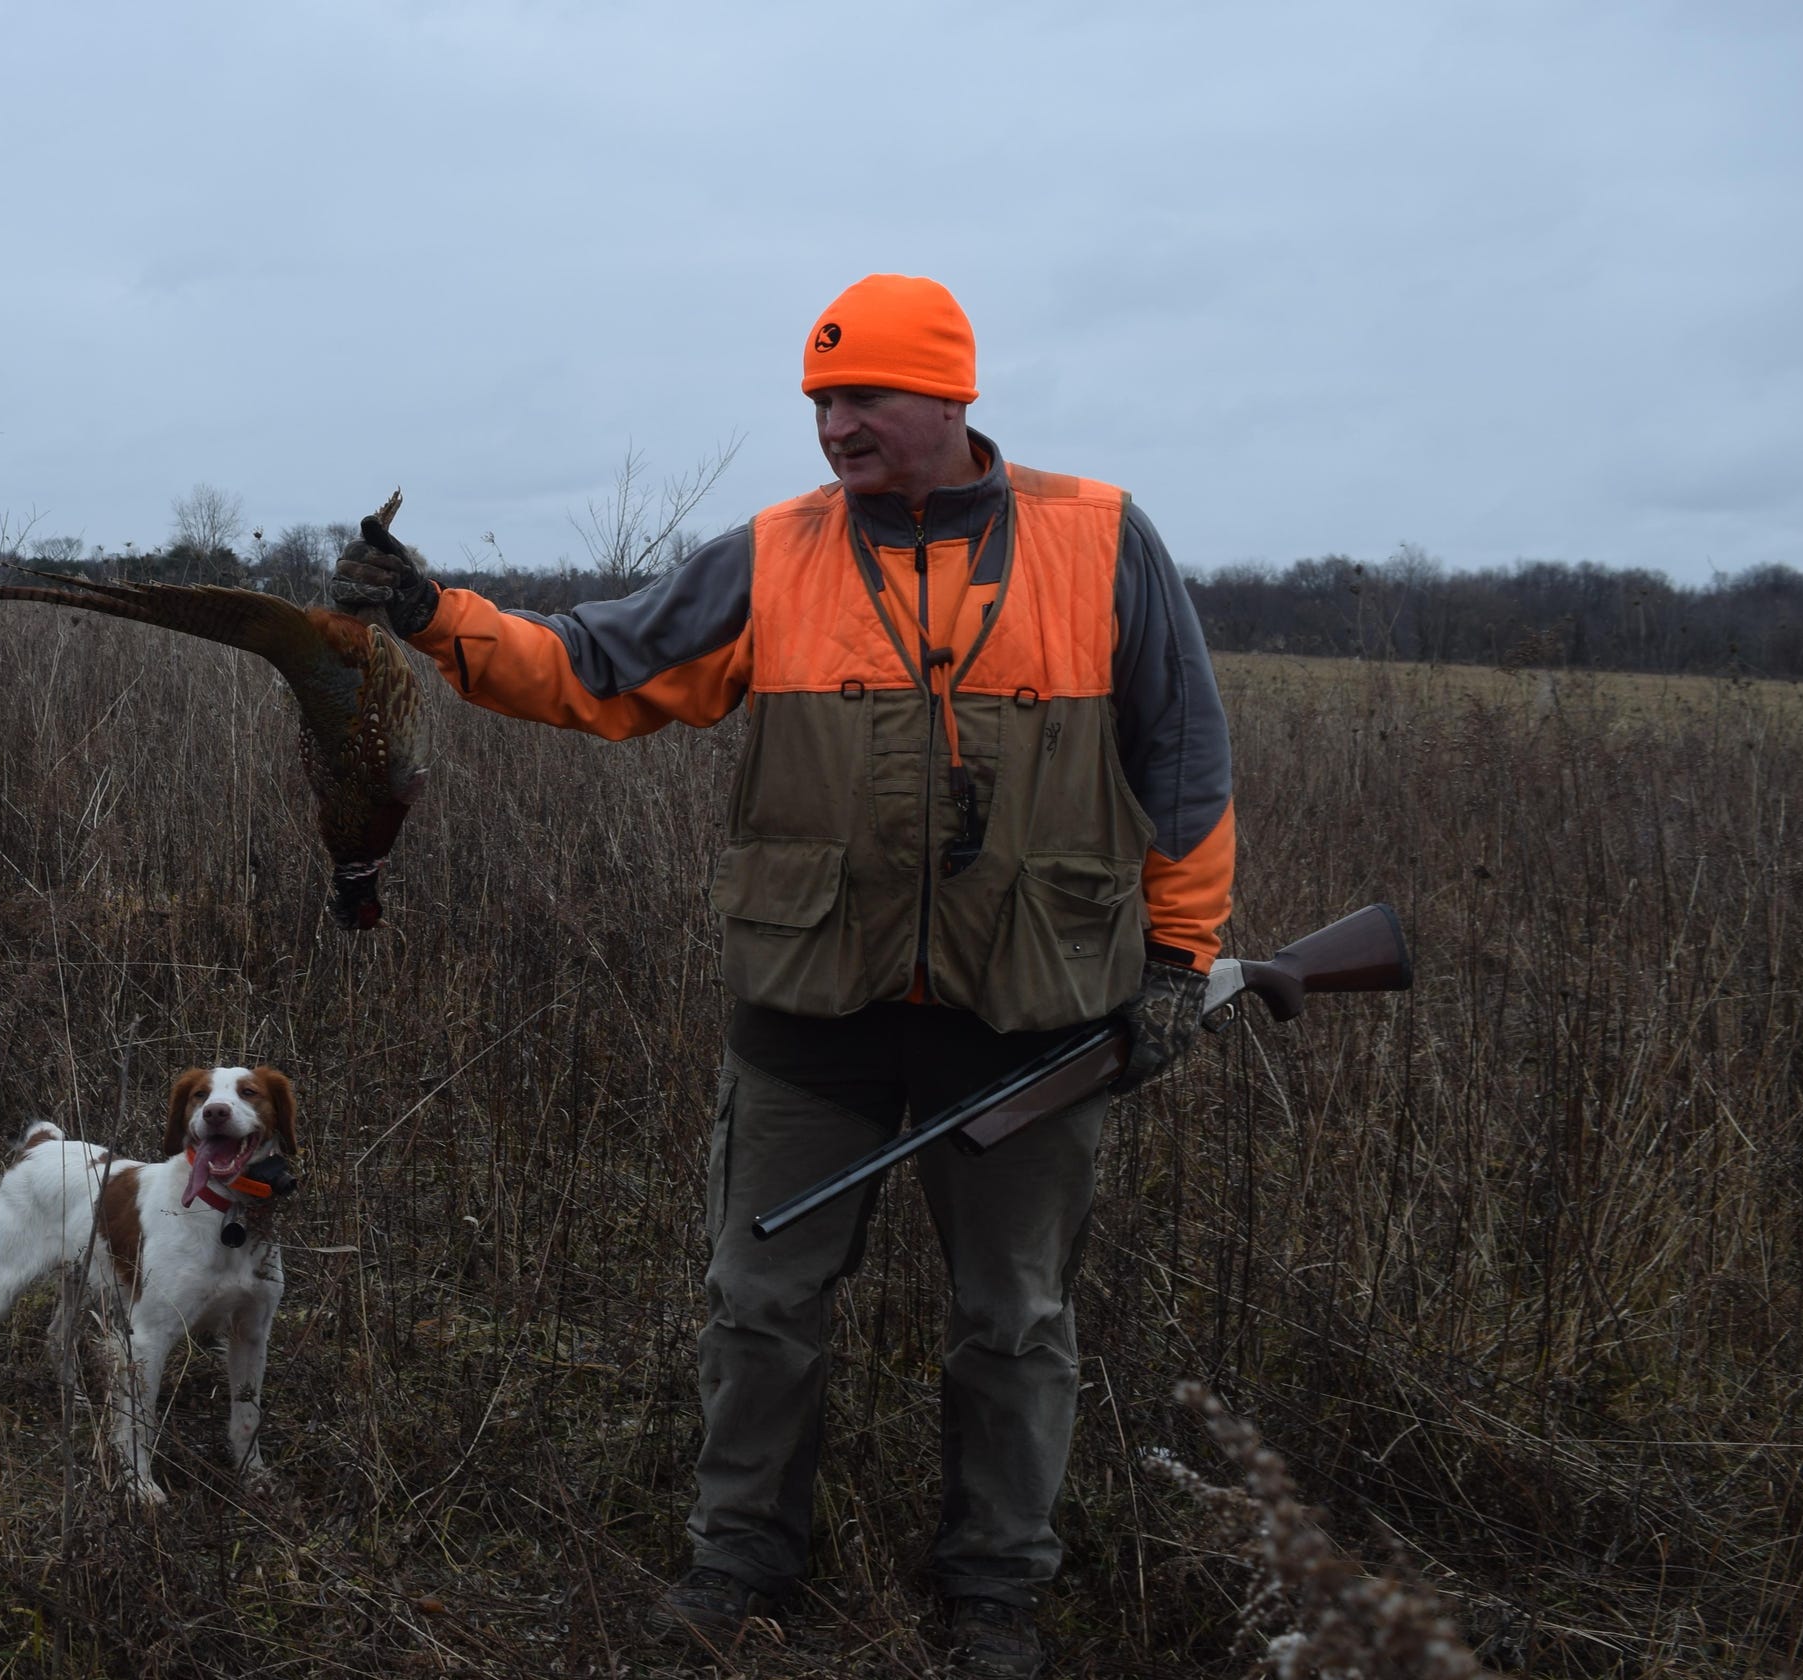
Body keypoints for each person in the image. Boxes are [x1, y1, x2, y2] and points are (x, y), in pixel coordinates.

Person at [333, 274, 1233, 1679]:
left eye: (863, 396)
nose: (833, 426)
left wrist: (1180, 963)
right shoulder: (775, 554)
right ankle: (739, 1562)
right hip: (810, 1012)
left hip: (1032, 1017)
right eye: (819, 401)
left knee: (1017, 1322)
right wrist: (438, 614)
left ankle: (994, 1594)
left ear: (952, 394)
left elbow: (1181, 760)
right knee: (760, 1304)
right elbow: (593, 669)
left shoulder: (1103, 539)